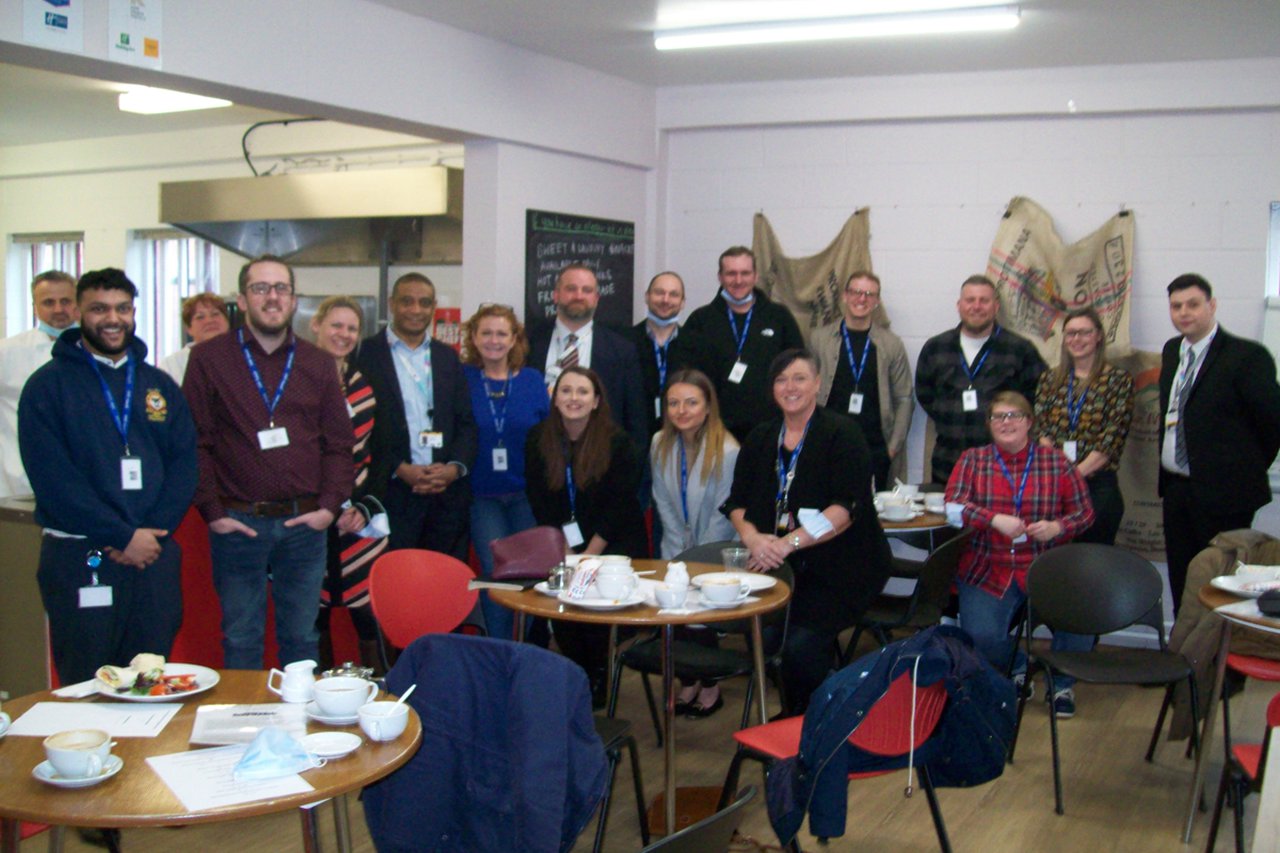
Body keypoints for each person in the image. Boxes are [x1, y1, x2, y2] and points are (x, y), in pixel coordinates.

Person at [18, 268, 196, 685]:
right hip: (85, 555)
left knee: (151, 679)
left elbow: (185, 464)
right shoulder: (47, 387)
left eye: (121, 308)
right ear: (80, 312)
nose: (112, 319)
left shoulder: (158, 385)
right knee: (88, 680)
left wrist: (150, 535)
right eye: (99, 309)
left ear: (134, 312)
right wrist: (121, 536)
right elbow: (53, 481)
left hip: (152, 556)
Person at [184, 254, 353, 669]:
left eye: (281, 289)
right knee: (241, 639)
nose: (272, 297)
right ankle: (243, 732)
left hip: (304, 527)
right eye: (261, 288)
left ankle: (299, 732)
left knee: (301, 640)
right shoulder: (209, 359)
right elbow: (194, 442)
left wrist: (329, 508)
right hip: (239, 525)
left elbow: (338, 444)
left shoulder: (317, 363)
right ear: (242, 300)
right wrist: (212, 512)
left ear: (294, 301)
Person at [724, 349, 893, 715]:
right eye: (781, 380)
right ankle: (806, 705)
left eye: (799, 378)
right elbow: (736, 503)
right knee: (768, 639)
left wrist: (786, 544)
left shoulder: (842, 434)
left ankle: (808, 719)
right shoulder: (761, 437)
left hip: (842, 566)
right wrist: (753, 539)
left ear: (817, 384)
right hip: (781, 566)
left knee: (798, 645)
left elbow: (843, 511)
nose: (790, 387)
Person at [945, 391, 1095, 718]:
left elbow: (1085, 513)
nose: (1006, 423)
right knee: (980, 636)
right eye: (998, 417)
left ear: (1029, 422)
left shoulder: (1056, 462)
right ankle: (1017, 665)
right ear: (989, 424)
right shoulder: (973, 459)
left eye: (1014, 415)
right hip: (987, 567)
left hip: (1045, 567)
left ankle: (1062, 683)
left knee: (1083, 614)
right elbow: (953, 508)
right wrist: (993, 519)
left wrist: (1058, 527)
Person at [525, 366, 647, 705]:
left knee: (595, 615)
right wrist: (566, 553)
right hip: (565, 542)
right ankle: (580, 677)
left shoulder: (619, 443)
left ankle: (597, 680)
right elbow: (540, 500)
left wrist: (588, 557)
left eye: (582, 392)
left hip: (613, 543)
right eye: (566, 391)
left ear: (596, 401)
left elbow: (619, 507)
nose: (573, 398)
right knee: (564, 611)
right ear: (555, 397)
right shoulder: (538, 439)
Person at [1158, 273, 1280, 613]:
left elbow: (1272, 424)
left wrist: (1241, 469)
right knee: (1183, 577)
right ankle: (1187, 654)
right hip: (1178, 489)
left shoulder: (1246, 356)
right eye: (1176, 306)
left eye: (1193, 304)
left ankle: (1220, 661)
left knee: (1222, 582)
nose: (1184, 313)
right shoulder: (1172, 351)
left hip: (1226, 495)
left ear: (1212, 305)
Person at [357, 272, 476, 560]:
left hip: (444, 495)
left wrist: (453, 469)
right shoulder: (365, 354)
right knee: (397, 585)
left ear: (433, 306)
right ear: (391, 304)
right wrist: (398, 467)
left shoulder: (447, 357)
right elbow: (362, 429)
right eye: (406, 302)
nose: (415, 310)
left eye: (424, 303)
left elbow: (466, 422)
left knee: (443, 586)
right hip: (392, 492)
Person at [651, 368, 740, 717]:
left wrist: (696, 560)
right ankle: (688, 681)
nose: (681, 410)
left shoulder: (728, 449)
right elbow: (663, 502)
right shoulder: (660, 443)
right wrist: (676, 557)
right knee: (675, 607)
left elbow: (724, 512)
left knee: (699, 612)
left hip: (716, 545)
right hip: (678, 544)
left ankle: (711, 684)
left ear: (707, 407)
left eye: (691, 402)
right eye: (673, 403)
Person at [462, 304, 549, 640]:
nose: (494, 340)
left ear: (514, 339)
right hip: (482, 496)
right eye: (486, 333)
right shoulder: (462, 379)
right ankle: (497, 649)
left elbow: (546, 440)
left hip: (525, 495)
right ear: (473, 337)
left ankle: (522, 649)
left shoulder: (532, 380)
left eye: (502, 333)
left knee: (528, 574)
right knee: (496, 572)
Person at [309, 296, 388, 671]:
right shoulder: (295, 380)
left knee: (370, 617)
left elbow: (381, 450)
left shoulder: (364, 382)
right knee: (312, 618)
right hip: (312, 515)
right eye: (336, 325)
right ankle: (318, 700)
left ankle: (380, 701)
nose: (343, 334)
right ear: (316, 326)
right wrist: (330, 506)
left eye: (351, 328)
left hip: (361, 518)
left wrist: (362, 506)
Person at [916, 275, 1046, 484]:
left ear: (996, 306)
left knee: (1003, 517)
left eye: (984, 301)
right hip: (948, 461)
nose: (977, 306)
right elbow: (925, 395)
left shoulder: (1020, 349)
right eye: (970, 300)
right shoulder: (936, 348)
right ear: (959, 306)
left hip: (1005, 462)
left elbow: (1037, 398)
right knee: (947, 516)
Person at [680, 247, 806, 443]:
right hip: (712, 431)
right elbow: (686, 376)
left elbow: (798, 369)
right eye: (731, 273)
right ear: (720, 277)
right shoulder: (700, 320)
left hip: (770, 428)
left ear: (755, 276)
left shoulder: (779, 317)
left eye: (745, 273)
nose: (738, 280)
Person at [1034, 306, 1134, 545]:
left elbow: (1111, 439)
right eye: (1071, 333)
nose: (1076, 339)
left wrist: (1072, 476)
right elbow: (1041, 429)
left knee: (1091, 568)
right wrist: (1060, 475)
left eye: (1084, 333)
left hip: (1097, 489)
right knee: (1057, 565)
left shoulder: (1118, 380)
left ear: (1098, 335)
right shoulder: (1050, 379)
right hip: (1056, 487)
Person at [528, 263, 649, 451]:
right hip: (540, 455)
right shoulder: (528, 343)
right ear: (556, 295)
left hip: (601, 459)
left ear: (596, 298)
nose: (579, 296)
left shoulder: (622, 350)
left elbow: (636, 419)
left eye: (586, 290)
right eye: (571, 289)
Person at [812, 270, 914, 491]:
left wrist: (892, 447)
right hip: (827, 443)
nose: (862, 299)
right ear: (845, 296)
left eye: (869, 294)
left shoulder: (891, 344)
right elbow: (806, 389)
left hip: (875, 447)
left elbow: (905, 398)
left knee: (871, 516)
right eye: (856, 292)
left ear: (877, 301)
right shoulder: (819, 339)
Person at [0, 270, 79, 498]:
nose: (58, 309)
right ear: (35, 307)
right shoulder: (7, 352)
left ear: (78, 304)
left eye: (65, 301)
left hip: (81, 483)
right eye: (48, 302)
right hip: (19, 482)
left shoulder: (98, 352)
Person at [629, 271, 687, 437]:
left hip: (681, 434)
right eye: (659, 292)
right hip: (635, 434)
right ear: (647, 297)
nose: (665, 300)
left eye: (674, 294)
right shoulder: (625, 343)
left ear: (682, 302)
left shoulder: (696, 345)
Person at [158, 293, 231, 383]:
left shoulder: (242, 357)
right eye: (200, 317)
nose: (209, 321)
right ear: (189, 328)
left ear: (227, 321)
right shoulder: (171, 365)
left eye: (215, 314)